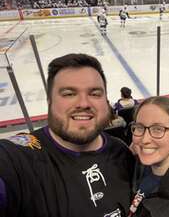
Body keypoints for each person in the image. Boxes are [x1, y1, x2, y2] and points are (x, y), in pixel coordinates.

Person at [0, 53, 134, 217]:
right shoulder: (18, 158)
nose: (84, 103)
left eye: (95, 93)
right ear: (49, 101)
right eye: (69, 94)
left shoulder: (121, 151)